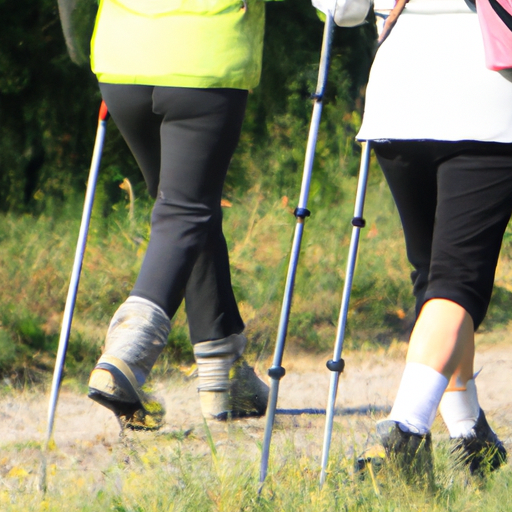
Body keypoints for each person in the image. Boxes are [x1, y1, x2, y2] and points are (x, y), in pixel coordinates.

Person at [59, 0, 275, 430]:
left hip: (122, 63)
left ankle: (224, 373)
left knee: (186, 206)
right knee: (185, 209)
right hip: (206, 56)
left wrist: (78, 46)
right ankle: (128, 352)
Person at [356, 0, 511, 477]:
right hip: (489, 101)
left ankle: (468, 432)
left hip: (398, 100)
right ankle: (405, 426)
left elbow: (340, 10)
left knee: (435, 278)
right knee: (455, 283)